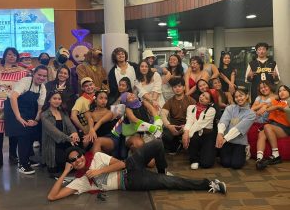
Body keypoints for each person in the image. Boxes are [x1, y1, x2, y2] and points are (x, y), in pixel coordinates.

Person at [47, 139, 227, 201]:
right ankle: (209, 184)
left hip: (130, 166)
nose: (77, 160)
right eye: (72, 161)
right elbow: (52, 196)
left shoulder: (96, 158)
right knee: (169, 183)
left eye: (77, 156)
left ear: (81, 155)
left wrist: (99, 172)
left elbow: (122, 164)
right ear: (70, 163)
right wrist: (65, 172)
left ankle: (162, 170)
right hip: (129, 182)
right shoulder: (80, 181)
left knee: (156, 144)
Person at [4, 65, 48, 174]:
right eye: (39, 75)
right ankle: (22, 164)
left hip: (28, 111)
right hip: (14, 110)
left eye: (44, 76)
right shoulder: (25, 81)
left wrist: (35, 121)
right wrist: (18, 117)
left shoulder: (42, 88)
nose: (41, 78)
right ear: (34, 74)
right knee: (24, 134)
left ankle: (27, 159)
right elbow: (13, 97)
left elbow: (40, 108)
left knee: (32, 132)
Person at [0, 47, 27, 170]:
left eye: (14, 55)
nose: (12, 57)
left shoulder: (22, 72)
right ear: (4, 56)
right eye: (9, 54)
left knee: (13, 132)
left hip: (12, 105)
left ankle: (12, 156)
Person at [215, 88, 256, 169]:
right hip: (227, 142)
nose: (239, 98)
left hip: (239, 142)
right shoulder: (230, 108)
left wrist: (224, 139)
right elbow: (223, 121)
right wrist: (220, 133)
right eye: (236, 97)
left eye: (241, 96)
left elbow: (238, 129)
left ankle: (246, 151)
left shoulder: (251, 114)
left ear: (247, 96)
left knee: (236, 165)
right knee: (225, 163)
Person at [41, 91, 79, 174]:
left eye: (59, 99)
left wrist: (74, 133)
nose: (57, 101)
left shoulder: (63, 112)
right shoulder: (44, 115)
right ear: (49, 100)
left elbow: (70, 125)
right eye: (54, 98)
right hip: (53, 145)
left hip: (65, 141)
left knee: (75, 162)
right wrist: (69, 139)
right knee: (59, 166)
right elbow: (55, 132)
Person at [255, 85, 290, 170]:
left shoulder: (288, 102)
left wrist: (271, 108)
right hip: (272, 125)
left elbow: (285, 109)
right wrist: (264, 107)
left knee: (267, 126)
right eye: (280, 91)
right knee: (261, 133)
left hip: (284, 127)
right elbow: (267, 105)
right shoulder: (275, 101)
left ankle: (276, 155)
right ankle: (259, 159)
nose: (281, 92)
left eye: (284, 90)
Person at [161, 77, 195, 154]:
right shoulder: (170, 101)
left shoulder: (191, 100)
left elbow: (195, 116)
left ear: (184, 87)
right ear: (172, 89)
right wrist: (169, 126)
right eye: (175, 87)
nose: (177, 89)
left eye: (179, 86)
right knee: (166, 135)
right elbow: (163, 114)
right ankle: (175, 146)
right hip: (174, 126)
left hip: (187, 125)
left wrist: (186, 127)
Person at [182, 92, 216, 169]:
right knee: (194, 137)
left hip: (207, 135)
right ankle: (194, 160)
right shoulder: (191, 107)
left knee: (206, 164)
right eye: (202, 95)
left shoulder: (211, 110)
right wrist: (186, 133)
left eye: (206, 98)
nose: (202, 97)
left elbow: (199, 124)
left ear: (210, 102)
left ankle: (203, 153)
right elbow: (189, 121)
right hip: (195, 134)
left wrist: (186, 135)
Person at [70, 77, 96, 145]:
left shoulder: (98, 96)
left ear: (94, 85)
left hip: (99, 126)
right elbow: (73, 116)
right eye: (86, 86)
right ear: (82, 88)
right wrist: (83, 129)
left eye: (90, 85)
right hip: (88, 130)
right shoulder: (80, 100)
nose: (89, 87)